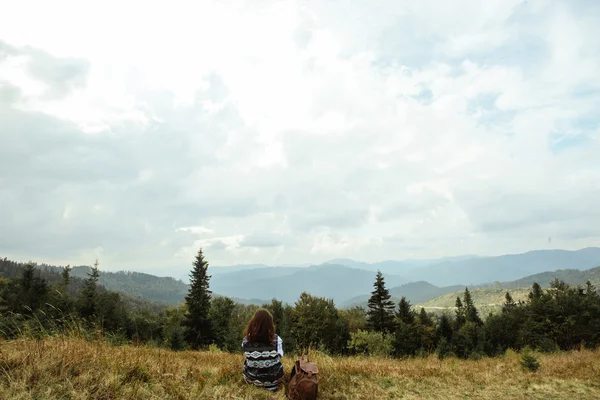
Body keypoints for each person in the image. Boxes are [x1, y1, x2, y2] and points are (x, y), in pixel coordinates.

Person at [242, 308, 284, 391]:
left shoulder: (245, 340)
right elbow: (279, 357)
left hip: (252, 381)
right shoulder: (276, 339)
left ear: (253, 322)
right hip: (273, 383)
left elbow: (247, 356)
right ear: (270, 324)